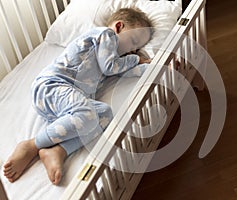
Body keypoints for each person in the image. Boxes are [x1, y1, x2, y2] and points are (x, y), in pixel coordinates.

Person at [3, 8, 153, 185]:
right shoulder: (105, 35)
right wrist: (137, 59)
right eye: (134, 42)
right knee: (87, 114)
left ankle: (58, 150)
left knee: (105, 114)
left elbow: (122, 72)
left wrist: (155, 67)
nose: (133, 50)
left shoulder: (110, 59)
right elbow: (111, 67)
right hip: (53, 86)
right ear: (119, 27)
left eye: (137, 48)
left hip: (65, 106)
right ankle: (32, 145)